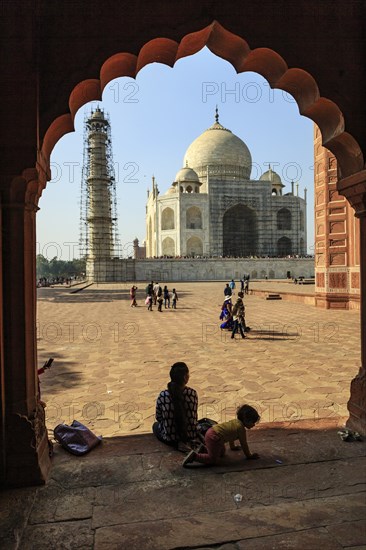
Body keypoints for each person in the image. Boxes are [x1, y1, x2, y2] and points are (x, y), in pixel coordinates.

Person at [182, 404, 260, 466]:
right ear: (246, 420)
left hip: (211, 433)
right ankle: (194, 457)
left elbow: (231, 435)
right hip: (214, 438)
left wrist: (232, 447)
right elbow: (244, 444)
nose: (253, 425)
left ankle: (203, 449)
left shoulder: (236, 422)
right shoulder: (241, 429)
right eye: (252, 422)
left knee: (222, 453)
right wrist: (249, 456)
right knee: (213, 459)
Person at [153, 362, 198, 450]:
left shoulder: (163, 395)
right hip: (190, 435)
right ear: (185, 378)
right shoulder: (192, 393)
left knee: (155, 425)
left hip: (170, 438)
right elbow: (193, 415)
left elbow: (159, 417)